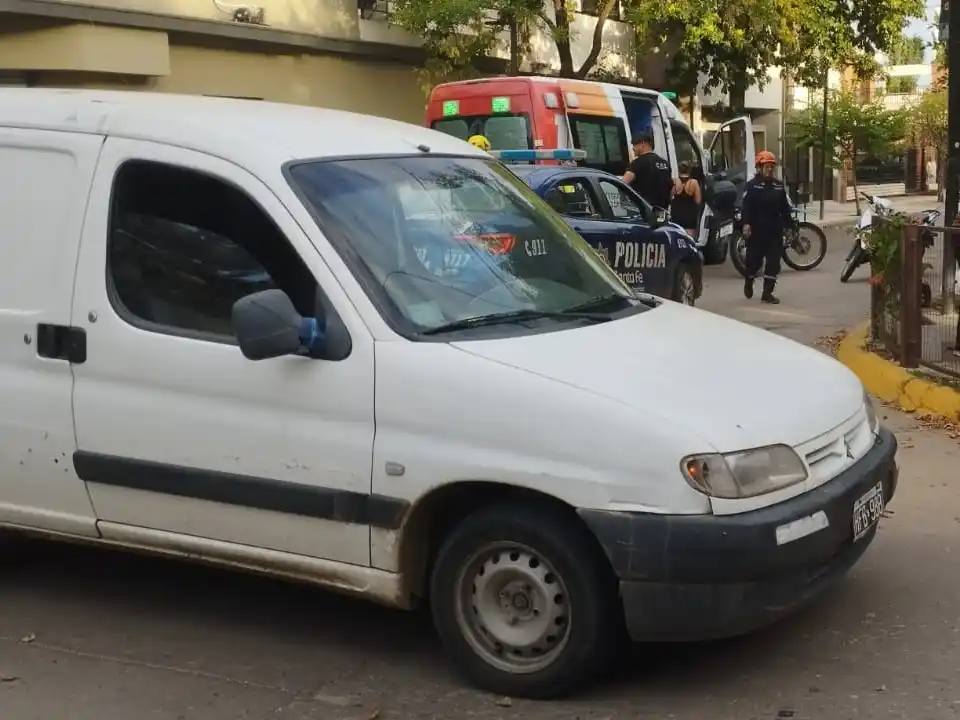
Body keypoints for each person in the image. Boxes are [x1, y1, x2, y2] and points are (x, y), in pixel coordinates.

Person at [741, 150, 795, 305]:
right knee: (754, 262)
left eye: (772, 166)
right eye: (766, 166)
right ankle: (749, 280)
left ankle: (767, 293)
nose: (770, 169)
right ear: (759, 167)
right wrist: (745, 224)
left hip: (774, 231)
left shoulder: (778, 186)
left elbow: (785, 209)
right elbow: (746, 207)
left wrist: (789, 227)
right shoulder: (752, 186)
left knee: (773, 263)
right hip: (756, 232)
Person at [623, 130, 673, 210]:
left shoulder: (637, 163)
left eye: (635, 144)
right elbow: (670, 189)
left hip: (644, 211)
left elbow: (623, 183)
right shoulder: (665, 164)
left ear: (643, 143)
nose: (633, 148)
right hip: (662, 212)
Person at [671, 161, 702, 237]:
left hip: (676, 216)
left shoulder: (674, 182)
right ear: (689, 170)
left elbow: (670, 197)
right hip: (689, 216)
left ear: (678, 170)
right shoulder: (694, 182)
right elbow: (698, 200)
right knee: (689, 239)